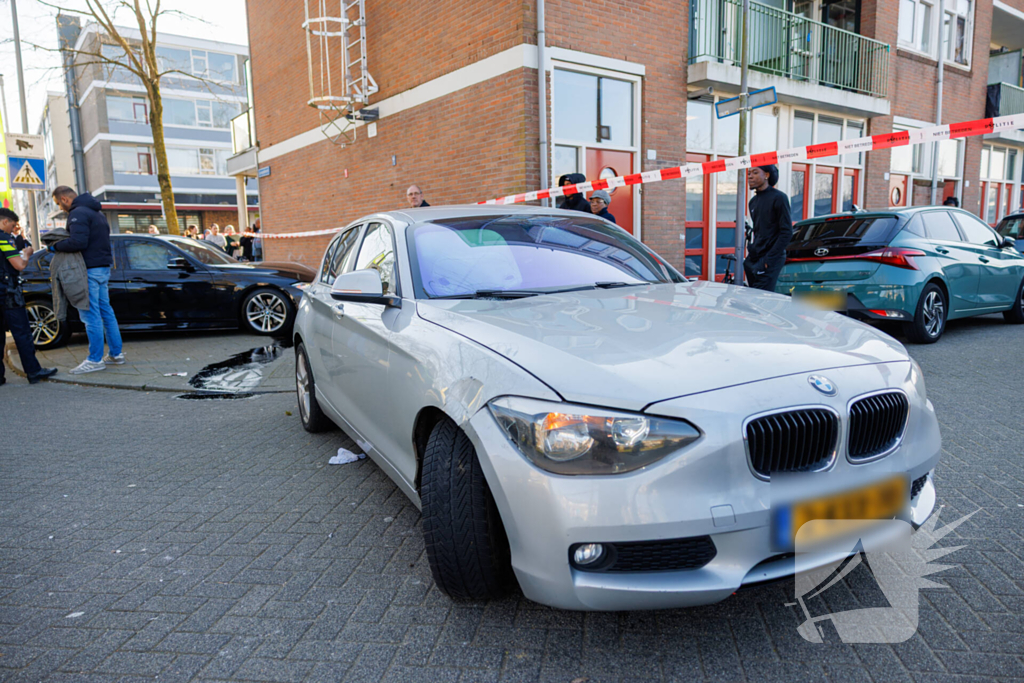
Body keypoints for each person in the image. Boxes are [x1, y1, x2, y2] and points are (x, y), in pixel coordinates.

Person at [50, 186, 125, 374]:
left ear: (65, 199)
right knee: (106, 312)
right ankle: (116, 354)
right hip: (102, 268)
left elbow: (78, 242)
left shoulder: (78, 214)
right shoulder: (97, 213)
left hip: (88, 270)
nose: (61, 207)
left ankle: (94, 360)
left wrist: (54, 247)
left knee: (90, 315)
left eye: (59, 203)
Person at [0, 208, 58, 386]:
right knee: (23, 334)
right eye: (12, 225)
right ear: (4, 222)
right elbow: (18, 265)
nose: (12, 229)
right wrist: (26, 254)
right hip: (8, 294)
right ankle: (33, 371)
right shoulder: (3, 239)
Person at [743, 165, 793, 292]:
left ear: (766, 175)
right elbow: (760, 231)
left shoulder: (779, 198)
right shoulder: (753, 202)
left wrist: (769, 260)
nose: (750, 176)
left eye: (755, 172)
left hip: (770, 258)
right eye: (749, 173)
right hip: (755, 257)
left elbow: (786, 232)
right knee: (752, 296)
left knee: (761, 299)